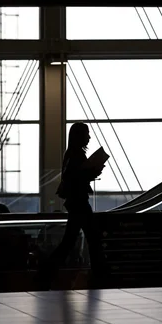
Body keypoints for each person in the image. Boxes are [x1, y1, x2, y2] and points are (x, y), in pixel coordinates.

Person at [37, 122, 106, 289]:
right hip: (79, 202)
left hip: (76, 202)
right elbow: (77, 177)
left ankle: (45, 273)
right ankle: (99, 275)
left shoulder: (71, 154)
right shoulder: (76, 155)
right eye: (86, 134)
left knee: (71, 241)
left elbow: (73, 177)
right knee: (91, 239)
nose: (89, 137)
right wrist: (94, 172)